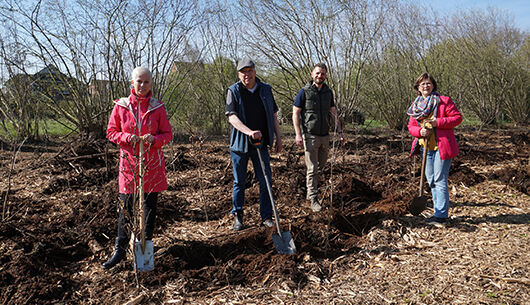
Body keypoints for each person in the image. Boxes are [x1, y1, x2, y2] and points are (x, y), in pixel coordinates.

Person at [103, 67, 173, 269]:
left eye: (146, 82)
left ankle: (144, 249)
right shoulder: (122, 106)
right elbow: (111, 132)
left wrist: (154, 139)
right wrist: (126, 138)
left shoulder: (157, 107)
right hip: (129, 166)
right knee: (125, 209)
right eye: (138, 82)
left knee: (150, 209)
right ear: (132, 83)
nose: (142, 86)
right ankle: (120, 250)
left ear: (151, 84)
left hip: (152, 166)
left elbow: (167, 135)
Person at [225, 58, 283, 231]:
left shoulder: (266, 90)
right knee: (239, 182)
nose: (246, 75)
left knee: (266, 180)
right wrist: (249, 132)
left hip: (261, 143)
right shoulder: (233, 91)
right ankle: (238, 216)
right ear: (239, 74)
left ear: (255, 72)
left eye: (249, 71)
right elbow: (232, 117)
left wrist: (278, 138)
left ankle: (266, 217)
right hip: (239, 144)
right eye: (243, 72)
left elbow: (273, 116)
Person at [407, 72, 462, 227]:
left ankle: (441, 216)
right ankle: (438, 211)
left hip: (442, 147)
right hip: (425, 148)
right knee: (431, 180)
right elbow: (411, 126)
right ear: (418, 87)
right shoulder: (415, 106)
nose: (426, 86)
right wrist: (419, 132)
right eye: (423, 84)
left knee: (439, 179)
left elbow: (457, 118)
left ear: (433, 86)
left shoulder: (444, 101)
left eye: (428, 83)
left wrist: (439, 122)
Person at [292, 63, 344, 212]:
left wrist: (339, 132)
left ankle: (311, 191)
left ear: (326, 75)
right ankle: (313, 198)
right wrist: (298, 134)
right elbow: (295, 113)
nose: (319, 76)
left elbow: (333, 112)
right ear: (312, 74)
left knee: (320, 167)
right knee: (312, 168)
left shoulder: (328, 92)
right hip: (310, 135)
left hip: (325, 136)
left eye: (322, 74)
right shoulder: (304, 92)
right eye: (317, 73)